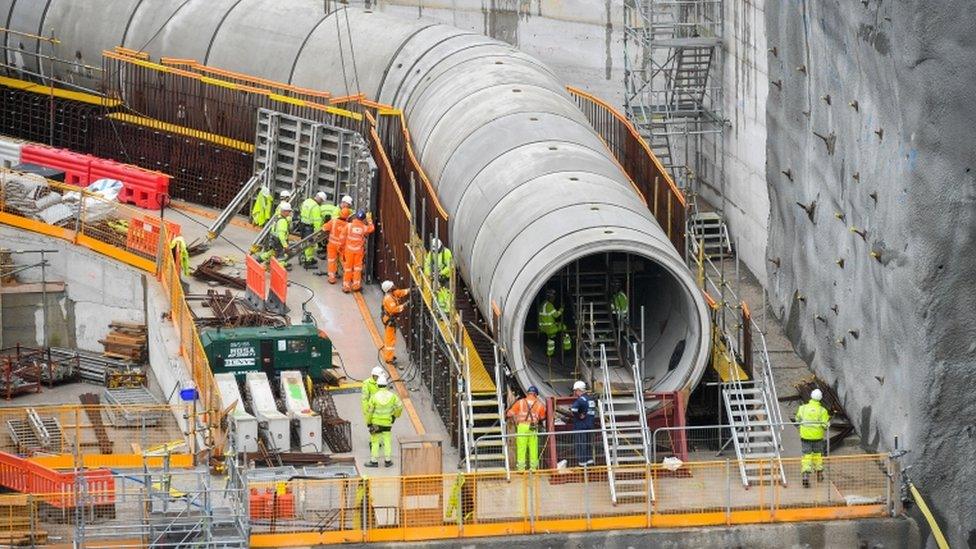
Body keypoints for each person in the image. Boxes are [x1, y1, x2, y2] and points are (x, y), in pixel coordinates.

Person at [505, 386, 547, 471]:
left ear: (528, 393)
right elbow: (542, 417)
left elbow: (509, 414)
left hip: (522, 427)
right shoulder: (539, 405)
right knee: (533, 448)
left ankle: (521, 469)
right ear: (536, 395)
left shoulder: (520, 402)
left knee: (521, 448)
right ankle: (533, 468)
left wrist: (512, 413)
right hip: (533, 428)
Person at [365, 375, 402, 468]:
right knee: (387, 440)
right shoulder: (393, 396)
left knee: (375, 441)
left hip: (376, 423)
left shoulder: (374, 397)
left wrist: (368, 422)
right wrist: (395, 415)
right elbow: (399, 406)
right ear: (386, 385)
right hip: (387, 423)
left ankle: (374, 461)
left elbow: (369, 411)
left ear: (377, 385)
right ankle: (388, 461)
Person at [795, 388, 830, 487]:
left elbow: (797, 419)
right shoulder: (822, 411)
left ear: (811, 396)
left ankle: (805, 475)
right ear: (820, 399)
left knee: (807, 455)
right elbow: (825, 425)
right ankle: (819, 473)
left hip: (805, 436)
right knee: (817, 455)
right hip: (818, 437)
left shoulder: (802, 408)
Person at [343, 209, 374, 292]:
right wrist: (370, 220)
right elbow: (371, 229)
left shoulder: (348, 226)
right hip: (358, 252)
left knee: (348, 268)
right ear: (363, 219)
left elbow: (342, 236)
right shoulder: (364, 227)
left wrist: (341, 247)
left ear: (355, 217)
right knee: (357, 268)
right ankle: (356, 285)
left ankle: (346, 286)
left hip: (349, 251)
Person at [381, 280, 410, 364]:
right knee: (390, 340)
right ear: (389, 289)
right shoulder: (388, 299)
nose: (394, 285)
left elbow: (400, 293)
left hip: (391, 319)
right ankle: (389, 358)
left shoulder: (392, 294)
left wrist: (410, 290)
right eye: (392, 286)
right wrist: (405, 305)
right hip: (389, 321)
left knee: (391, 339)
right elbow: (394, 310)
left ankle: (389, 356)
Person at [537, 289, 571, 357]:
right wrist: (562, 309)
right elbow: (556, 315)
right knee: (564, 328)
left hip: (542, 327)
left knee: (551, 338)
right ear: (550, 297)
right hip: (550, 327)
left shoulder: (542, 304)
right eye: (553, 297)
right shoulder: (549, 305)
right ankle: (567, 349)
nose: (554, 299)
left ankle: (550, 353)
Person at [570, 380, 596, 466]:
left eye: (575, 391)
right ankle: (589, 461)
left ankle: (582, 463)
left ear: (578, 390)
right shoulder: (590, 399)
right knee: (588, 443)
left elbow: (573, 409)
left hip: (581, 426)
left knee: (581, 444)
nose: (575, 393)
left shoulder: (581, 400)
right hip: (590, 425)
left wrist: (578, 416)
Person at [321, 207, 351, 284]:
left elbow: (324, 228)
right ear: (348, 216)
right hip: (342, 247)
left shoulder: (333, 221)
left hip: (332, 245)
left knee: (332, 261)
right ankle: (348, 277)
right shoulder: (348, 225)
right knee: (344, 261)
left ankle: (331, 277)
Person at [298, 192, 327, 269]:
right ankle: (308, 261)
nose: (321, 203)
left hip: (302, 224)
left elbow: (301, 210)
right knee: (310, 244)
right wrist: (317, 233)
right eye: (322, 201)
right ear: (320, 199)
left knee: (304, 241)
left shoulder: (307, 201)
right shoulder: (316, 207)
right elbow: (317, 221)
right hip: (309, 228)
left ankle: (304, 256)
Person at [259, 201, 292, 268]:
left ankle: (258, 259)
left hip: (273, 239)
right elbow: (281, 235)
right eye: (288, 211)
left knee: (271, 252)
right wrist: (285, 246)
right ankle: (278, 268)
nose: (289, 213)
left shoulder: (277, 217)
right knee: (281, 256)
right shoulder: (283, 221)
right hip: (279, 242)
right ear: (284, 211)